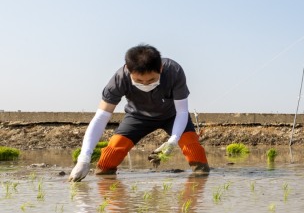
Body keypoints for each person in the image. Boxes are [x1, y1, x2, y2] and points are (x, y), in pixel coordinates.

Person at [68, 44, 210, 181]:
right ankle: (106, 184)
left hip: (173, 116)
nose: (145, 84)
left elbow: (182, 111)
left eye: (151, 80)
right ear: (128, 71)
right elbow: (100, 118)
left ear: (160, 68)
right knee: (109, 158)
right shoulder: (119, 79)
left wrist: (173, 140)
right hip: (137, 116)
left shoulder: (174, 71)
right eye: (139, 81)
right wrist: (83, 160)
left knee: (194, 150)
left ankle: (199, 182)